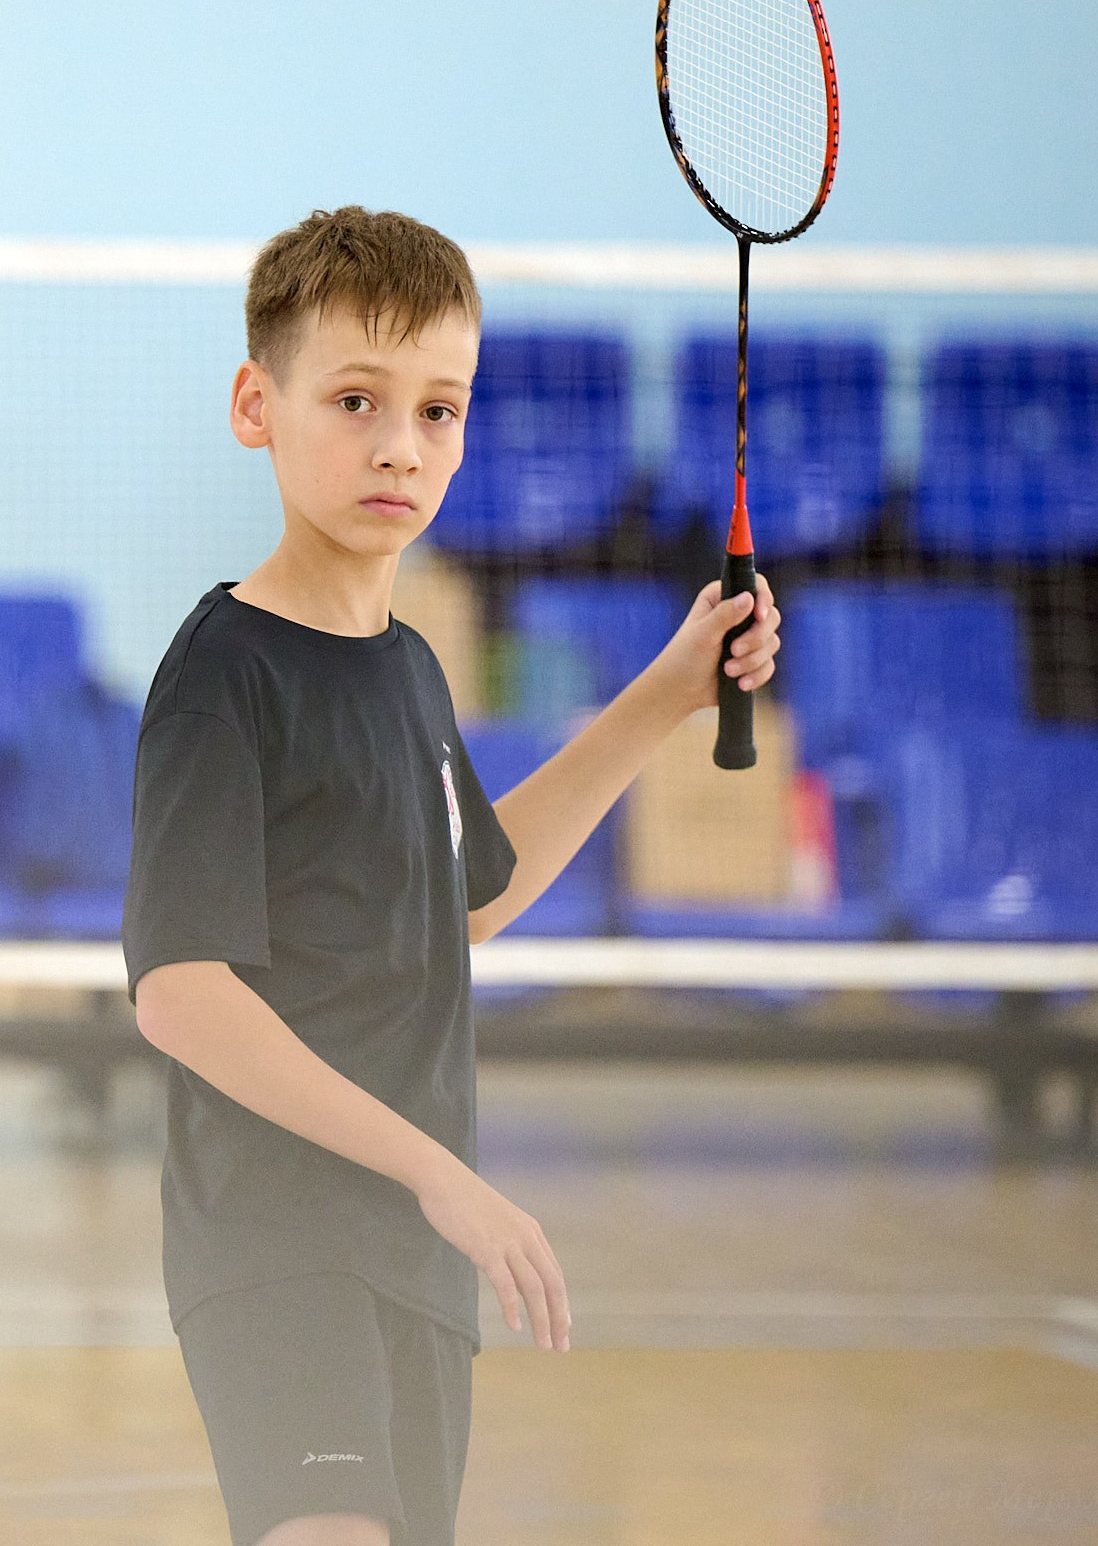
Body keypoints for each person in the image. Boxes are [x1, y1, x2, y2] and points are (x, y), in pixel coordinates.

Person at [123, 206, 782, 1546]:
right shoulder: (222, 678)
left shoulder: (410, 666)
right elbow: (182, 992)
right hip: (279, 1241)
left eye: (439, 411)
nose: (399, 446)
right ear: (258, 405)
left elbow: (470, 890)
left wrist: (660, 698)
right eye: (356, 400)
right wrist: (435, 1169)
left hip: (416, 1262)